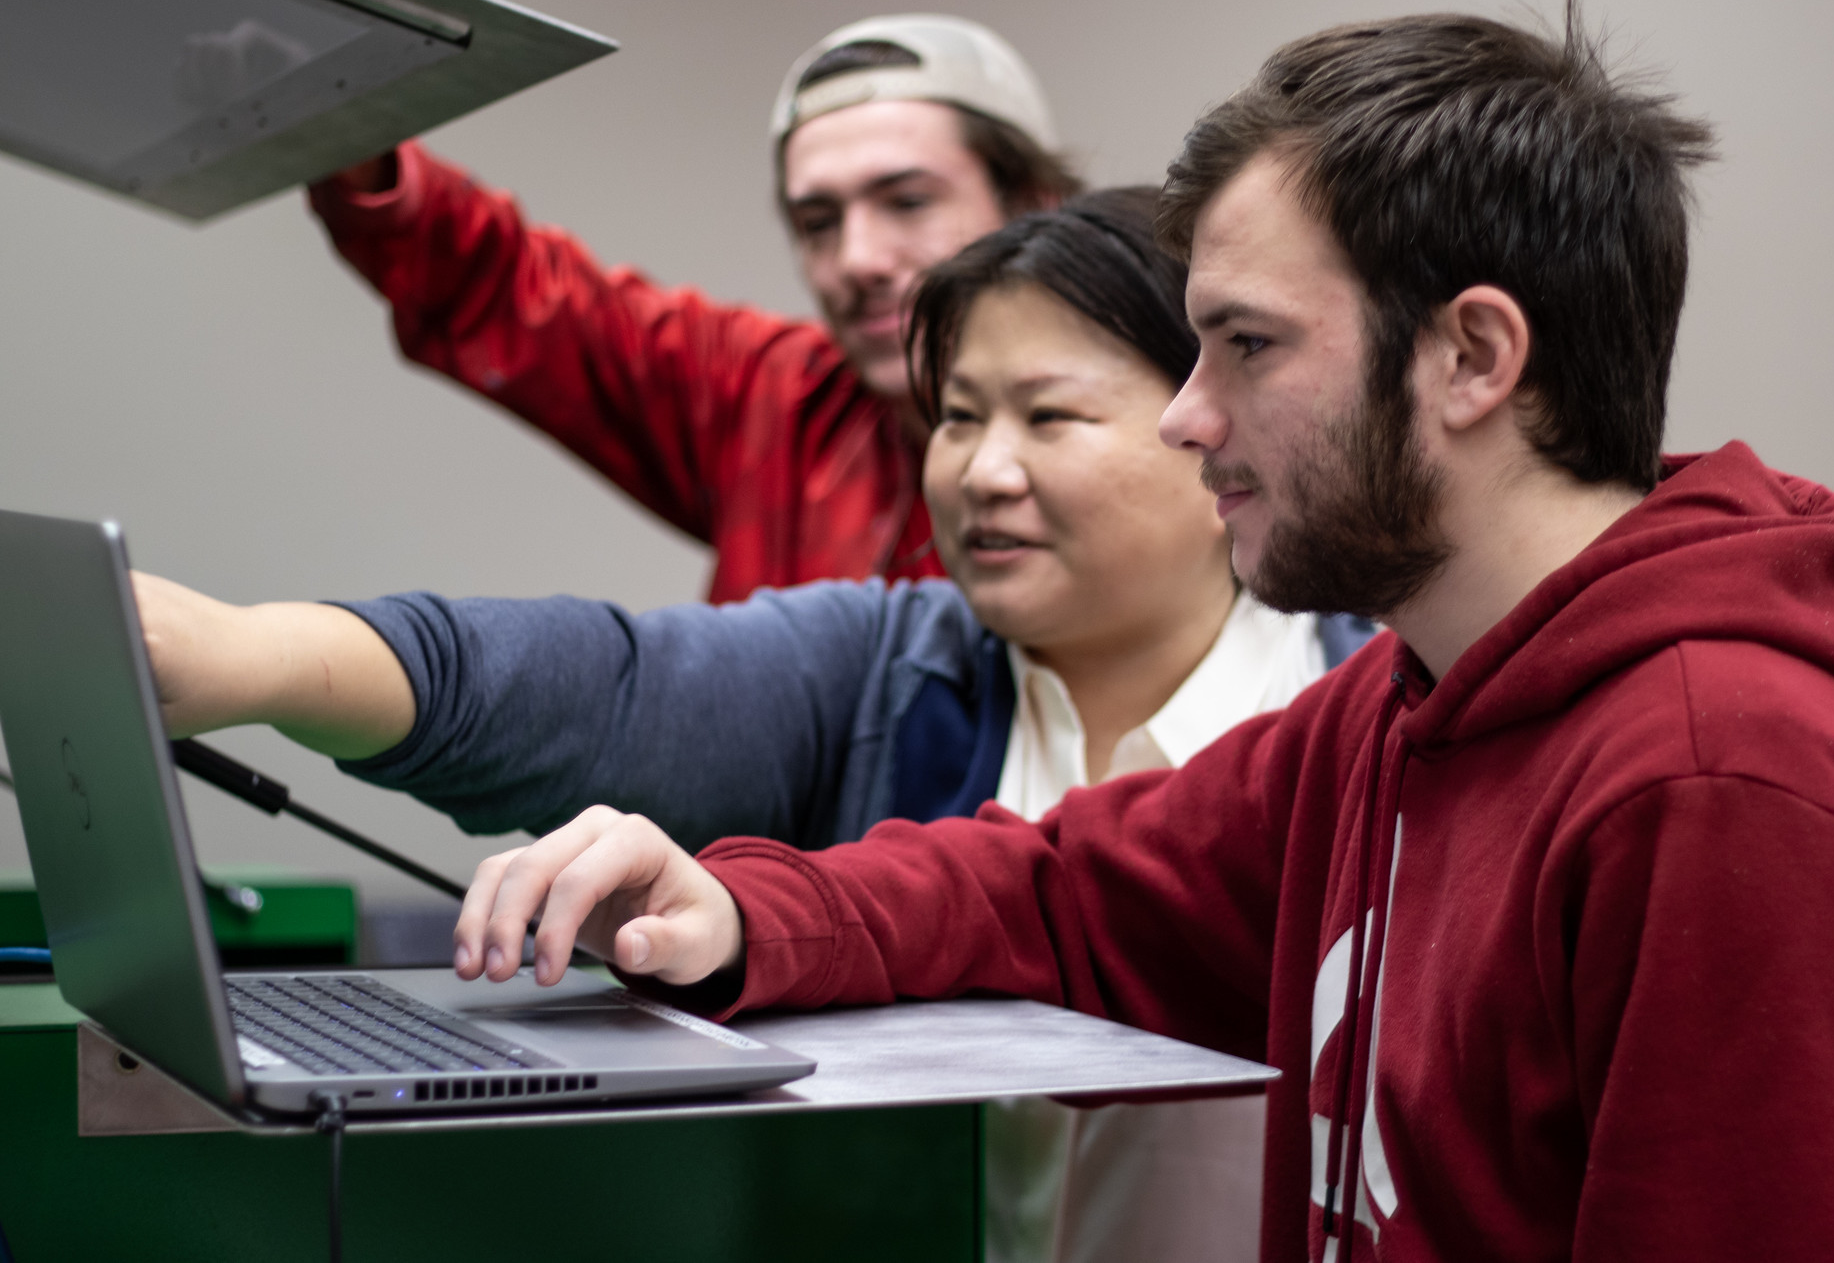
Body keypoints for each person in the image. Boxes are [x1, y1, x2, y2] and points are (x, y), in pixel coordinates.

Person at [444, 8, 1834, 1262]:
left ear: (1473, 356)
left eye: (1246, 345)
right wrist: (737, 909)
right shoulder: (1401, 709)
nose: (1188, 417)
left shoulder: (1720, 789)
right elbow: (1066, 890)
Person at [139, 191, 1374, 1263]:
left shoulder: (1355, 714)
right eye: (956, 417)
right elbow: (599, 686)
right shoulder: (887, 668)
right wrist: (249, 657)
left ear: (1205, 425)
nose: (980, 471)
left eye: (1047, 418)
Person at [310, 15, 1083, 603]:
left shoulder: (1138, 433)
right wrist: (341, 122)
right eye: (818, 222)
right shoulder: (777, 401)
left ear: (1035, 205)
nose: (857, 260)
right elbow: (510, 290)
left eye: (907, 201)